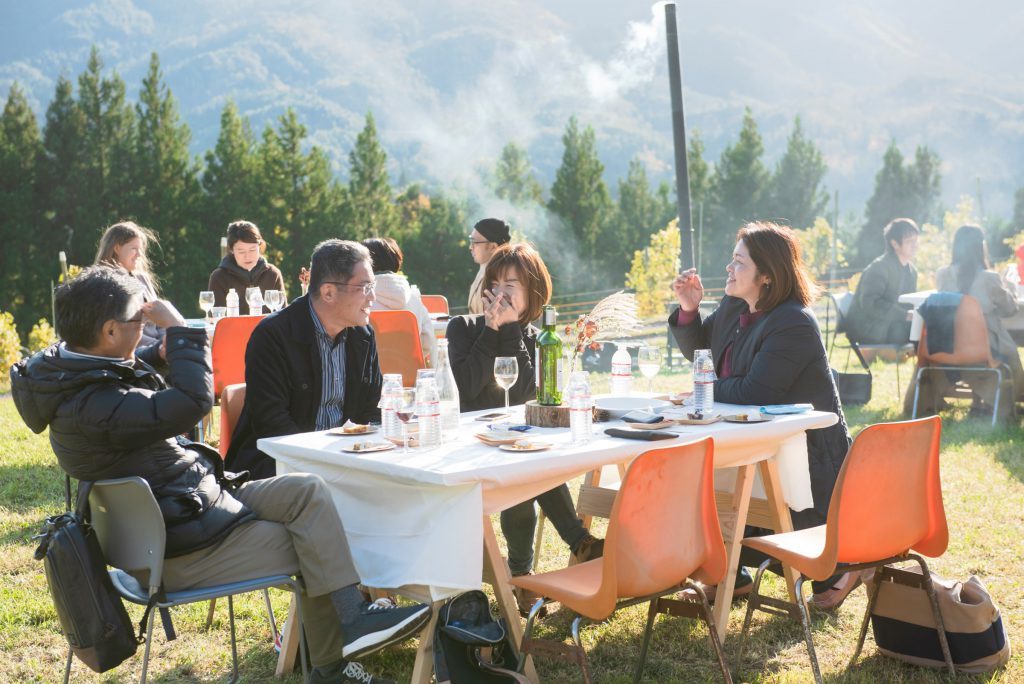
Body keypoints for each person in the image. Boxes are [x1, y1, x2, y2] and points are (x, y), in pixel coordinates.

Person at [9, 267, 429, 684]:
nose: (148, 326)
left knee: (307, 492)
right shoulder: (95, 406)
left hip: (185, 509)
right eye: (140, 320)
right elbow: (194, 401)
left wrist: (155, 354)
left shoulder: (69, 375)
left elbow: (125, 385)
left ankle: (351, 619)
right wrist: (179, 329)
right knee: (316, 541)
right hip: (178, 546)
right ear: (109, 332)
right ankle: (331, 667)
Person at [669, 221, 855, 610]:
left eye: (739, 262)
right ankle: (730, 574)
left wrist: (702, 392)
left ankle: (847, 570)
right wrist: (689, 310)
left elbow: (757, 391)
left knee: (720, 480)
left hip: (806, 456)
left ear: (766, 276)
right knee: (699, 473)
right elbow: (703, 352)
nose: (729, 269)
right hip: (757, 441)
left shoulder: (793, 321)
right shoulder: (736, 305)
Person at [446, 242, 603, 613]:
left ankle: (527, 575)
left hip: (520, 444)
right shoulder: (462, 328)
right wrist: (490, 329)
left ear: (532, 293)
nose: (500, 294)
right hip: (471, 443)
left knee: (529, 465)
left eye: (510, 286)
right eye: (494, 285)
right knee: (523, 469)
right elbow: (468, 386)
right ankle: (567, 550)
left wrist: (512, 328)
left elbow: (525, 393)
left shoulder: (535, 338)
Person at [226, 240, 383, 481]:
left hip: (344, 461)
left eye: (372, 285)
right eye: (364, 287)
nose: (373, 296)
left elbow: (371, 410)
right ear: (328, 292)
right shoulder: (273, 335)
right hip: (279, 468)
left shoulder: (362, 335)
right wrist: (325, 466)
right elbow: (273, 424)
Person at [932, 224, 1024, 406]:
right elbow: (1009, 309)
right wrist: (1010, 286)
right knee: (1010, 350)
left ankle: (977, 401)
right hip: (984, 347)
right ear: (981, 247)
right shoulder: (989, 278)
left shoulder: (942, 274)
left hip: (949, 345)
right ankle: (1011, 399)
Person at [361, 237, 438, 366]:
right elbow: (427, 342)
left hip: (367, 377)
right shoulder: (414, 298)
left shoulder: (358, 298)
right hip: (409, 375)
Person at [846, 218, 920, 345]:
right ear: (895, 244)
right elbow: (870, 303)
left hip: (893, 325)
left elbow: (909, 303)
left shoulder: (912, 270)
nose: (915, 245)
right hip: (870, 328)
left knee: (928, 328)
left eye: (916, 240)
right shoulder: (879, 268)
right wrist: (905, 315)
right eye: (909, 241)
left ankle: (932, 364)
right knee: (923, 334)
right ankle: (928, 364)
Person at [94, 220, 165, 349]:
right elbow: (120, 332)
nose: (139, 254)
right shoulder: (104, 285)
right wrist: (157, 347)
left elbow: (161, 322)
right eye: (134, 249)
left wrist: (166, 341)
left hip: (159, 349)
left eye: (140, 249)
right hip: (134, 354)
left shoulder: (142, 279)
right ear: (116, 248)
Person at [208, 220, 286, 311]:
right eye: (241, 251)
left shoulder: (273, 274)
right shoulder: (219, 277)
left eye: (252, 250)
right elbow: (216, 318)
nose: (247, 256)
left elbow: (283, 315)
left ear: (259, 246)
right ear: (232, 250)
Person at [467, 218, 511, 315]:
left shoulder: (500, 279)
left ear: (493, 247)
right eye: (470, 241)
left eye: (475, 242)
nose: (470, 247)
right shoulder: (483, 269)